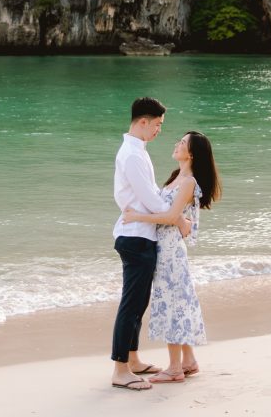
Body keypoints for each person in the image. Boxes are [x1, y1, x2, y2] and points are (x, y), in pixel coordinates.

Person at [122, 130, 221, 383]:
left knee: (172, 304)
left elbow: (167, 217)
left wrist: (136, 217)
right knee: (176, 301)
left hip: (171, 252)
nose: (177, 145)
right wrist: (178, 220)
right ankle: (188, 361)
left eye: (183, 143)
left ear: (192, 153)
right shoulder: (177, 177)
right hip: (163, 248)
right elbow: (173, 215)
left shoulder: (188, 182)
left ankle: (175, 368)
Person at [111, 96, 191, 392]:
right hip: (135, 236)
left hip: (141, 233)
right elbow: (152, 199)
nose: (159, 130)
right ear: (142, 122)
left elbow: (149, 197)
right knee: (131, 305)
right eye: (157, 125)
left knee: (138, 302)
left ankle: (132, 360)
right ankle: (120, 369)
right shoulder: (132, 155)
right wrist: (178, 218)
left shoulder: (138, 151)